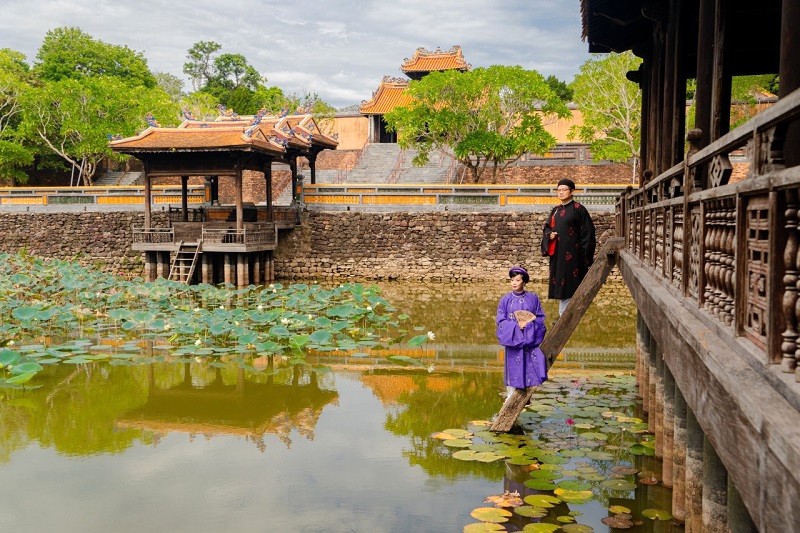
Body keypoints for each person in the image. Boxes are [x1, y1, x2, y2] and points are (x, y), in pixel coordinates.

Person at [540, 178, 596, 317]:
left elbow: (588, 233)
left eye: (564, 190)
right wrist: (549, 235)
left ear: (571, 191)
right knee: (560, 282)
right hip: (558, 255)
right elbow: (547, 228)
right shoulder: (556, 210)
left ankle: (565, 316)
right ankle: (563, 314)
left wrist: (585, 258)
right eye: (559, 190)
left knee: (570, 283)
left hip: (573, 256)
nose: (561, 192)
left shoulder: (579, 209)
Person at [496, 266, 547, 398]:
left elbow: (540, 319)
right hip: (513, 342)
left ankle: (526, 396)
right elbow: (501, 321)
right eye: (512, 280)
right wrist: (515, 326)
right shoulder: (505, 300)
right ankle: (510, 397)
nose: (514, 283)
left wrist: (529, 325)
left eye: (517, 280)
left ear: (524, 282)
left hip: (529, 341)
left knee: (529, 368)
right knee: (513, 370)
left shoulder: (533, 298)